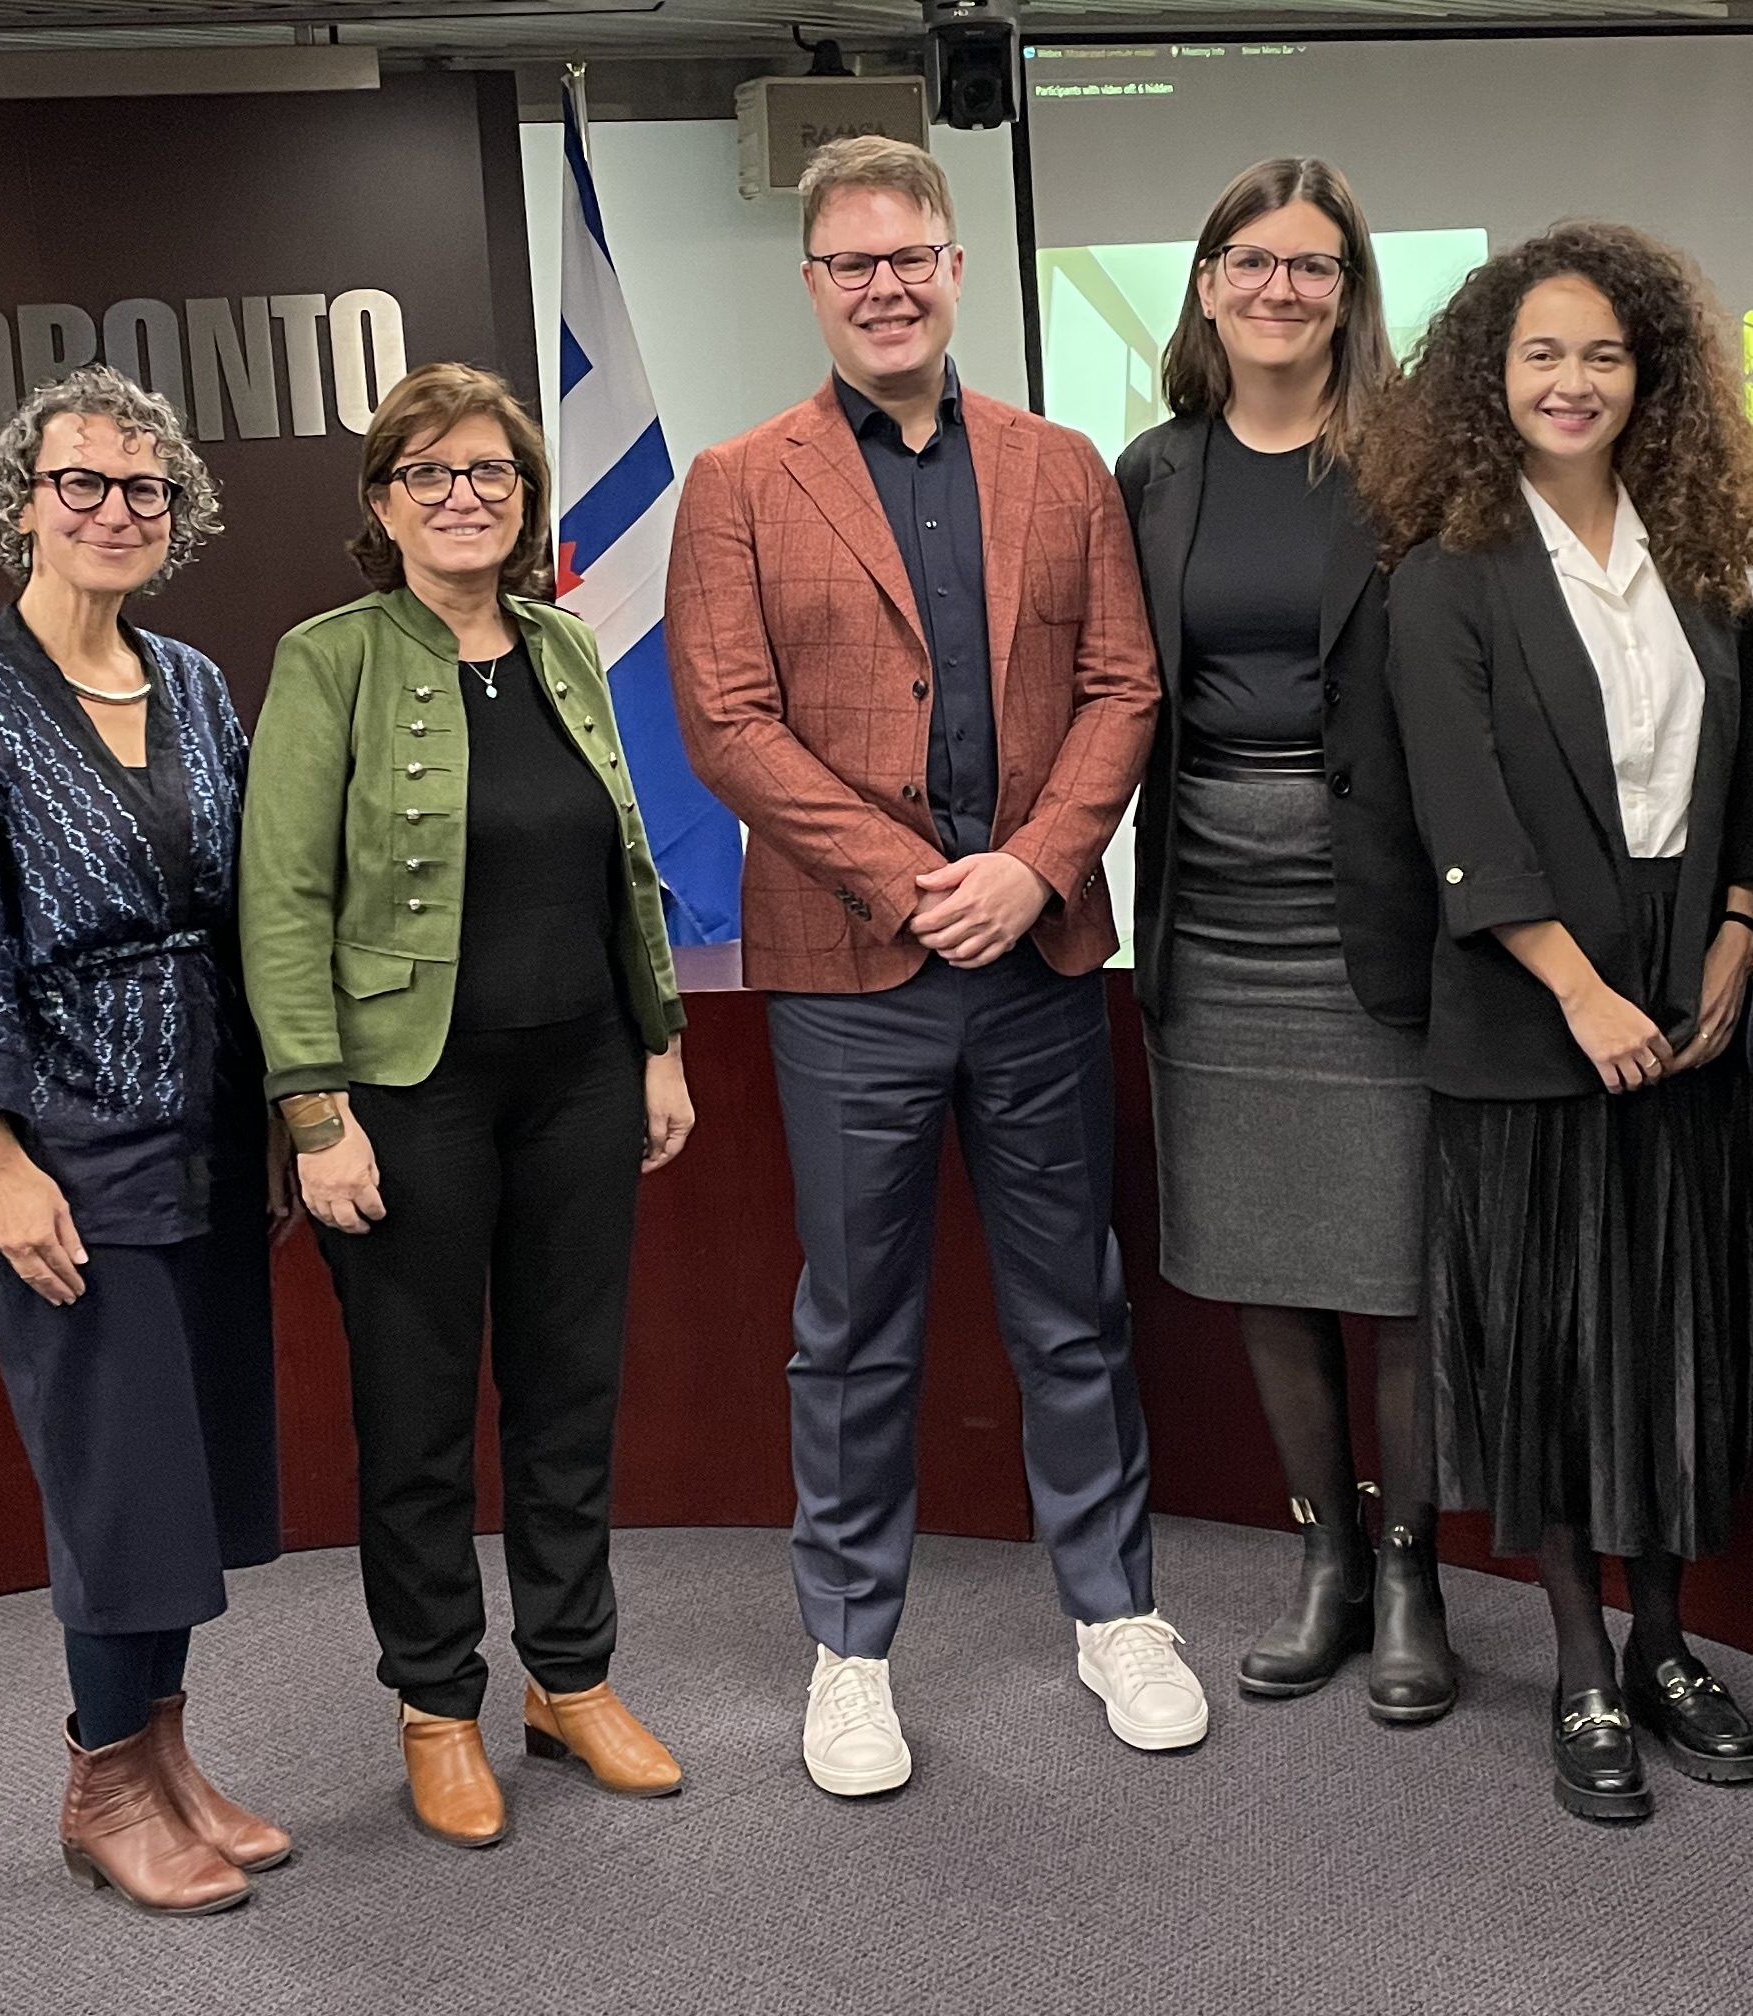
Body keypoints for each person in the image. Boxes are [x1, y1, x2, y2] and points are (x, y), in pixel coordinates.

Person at [665, 134, 1188, 1799]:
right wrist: (916, 883)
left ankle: (1115, 1614)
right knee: (855, 1329)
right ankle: (851, 1651)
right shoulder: (742, 483)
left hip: (1035, 961)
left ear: (957, 270)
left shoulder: (1062, 466)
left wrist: (1031, 868)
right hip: (847, 973)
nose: (885, 288)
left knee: (1074, 1310)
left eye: (911, 259)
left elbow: (1123, 687)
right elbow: (727, 727)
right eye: (851, 266)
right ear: (812, 286)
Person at [1360, 225, 1753, 1825]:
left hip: (1688, 1018)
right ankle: (1582, 1660)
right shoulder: (1444, 575)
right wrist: (1579, 986)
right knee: (1546, 1357)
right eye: (1542, 354)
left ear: (1647, 377)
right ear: (1492, 378)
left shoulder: (1700, 557)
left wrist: (1741, 929)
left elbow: (1749, 778)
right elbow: (1457, 812)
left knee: (1671, 1349)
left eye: (1604, 354)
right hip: (1533, 1030)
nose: (1574, 381)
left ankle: (1670, 1642)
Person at [239, 362, 694, 1850]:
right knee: (419, 1413)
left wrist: (658, 1040)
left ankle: (571, 1678)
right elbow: (283, 895)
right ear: (383, 503)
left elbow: (622, 857)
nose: (464, 496)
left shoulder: (562, 644)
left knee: (572, 1391)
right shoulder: (333, 657)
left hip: (578, 1073)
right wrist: (314, 1108)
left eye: (491, 472)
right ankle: (437, 1706)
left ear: (525, 497)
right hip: (405, 1090)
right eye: (429, 473)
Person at [0, 365, 286, 1915]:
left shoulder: (190, 681)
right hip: (65, 1140)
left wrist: (289, 1112)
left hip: (203, 1121)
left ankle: (169, 1757)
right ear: (21, 506)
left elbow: (253, 906)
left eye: (144, 490)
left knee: (182, 1470)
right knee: (114, 1476)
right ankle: (104, 1777)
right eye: (83, 484)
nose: (116, 510)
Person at [1112, 157, 1452, 1723]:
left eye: (1313, 266)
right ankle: (1323, 1555)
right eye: (1251, 260)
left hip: (1370, 907)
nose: (1279, 289)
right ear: (1206, 284)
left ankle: (1412, 1571)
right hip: (1212, 901)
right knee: (1262, 1252)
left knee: (1392, 1265)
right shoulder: (1155, 472)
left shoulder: (1413, 466)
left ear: (1349, 292)